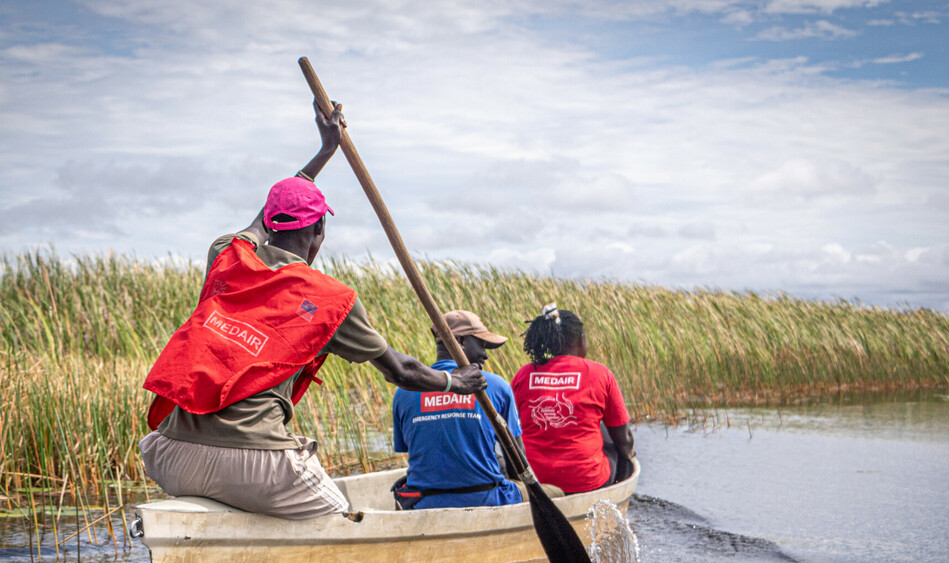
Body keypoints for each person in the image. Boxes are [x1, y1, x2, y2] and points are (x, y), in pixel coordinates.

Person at [139, 101, 485, 520]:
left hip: (169, 455)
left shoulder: (226, 255)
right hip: (254, 466)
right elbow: (401, 371)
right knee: (342, 522)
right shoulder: (332, 300)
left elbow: (265, 215)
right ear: (320, 229)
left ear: (271, 224)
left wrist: (324, 152)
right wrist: (453, 381)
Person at [391, 310, 526, 509]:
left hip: (425, 503)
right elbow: (518, 463)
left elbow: (413, 451)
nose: (486, 355)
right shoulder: (495, 386)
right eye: (481, 345)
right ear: (461, 341)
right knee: (553, 491)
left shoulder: (403, 392)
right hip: (487, 498)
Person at [510, 303, 635, 494]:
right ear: (581, 338)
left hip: (536, 482)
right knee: (611, 436)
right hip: (587, 482)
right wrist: (629, 458)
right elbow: (624, 439)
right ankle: (615, 494)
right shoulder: (600, 373)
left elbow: (510, 428)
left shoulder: (524, 374)